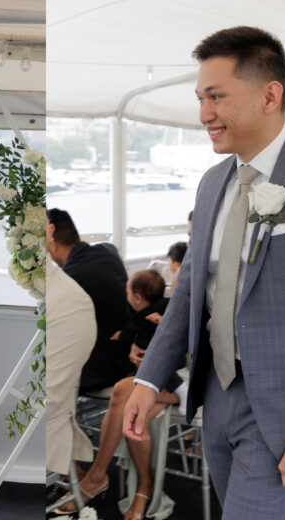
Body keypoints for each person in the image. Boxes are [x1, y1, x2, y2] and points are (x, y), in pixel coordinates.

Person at [122, 25, 285, 520]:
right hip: (215, 397)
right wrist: (148, 380)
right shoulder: (212, 182)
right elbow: (190, 295)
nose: (204, 115)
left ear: (270, 95)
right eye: (201, 98)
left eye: (216, 96)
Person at [56, 268, 182, 520]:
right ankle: (130, 485)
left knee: (123, 391)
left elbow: (180, 337)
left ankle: (99, 477)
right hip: (161, 368)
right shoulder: (154, 310)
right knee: (127, 402)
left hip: (183, 376)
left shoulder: (168, 307)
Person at [47, 208, 132, 392]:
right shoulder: (108, 251)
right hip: (124, 354)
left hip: (101, 368)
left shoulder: (70, 279)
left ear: (52, 243)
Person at [46, 254, 97, 481]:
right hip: (105, 362)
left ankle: (95, 476)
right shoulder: (93, 260)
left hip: (98, 370)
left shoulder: (70, 292)